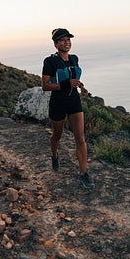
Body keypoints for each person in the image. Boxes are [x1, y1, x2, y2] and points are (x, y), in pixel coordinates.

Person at [41, 28, 94, 188]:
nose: (67, 42)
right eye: (63, 40)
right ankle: (54, 155)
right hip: (58, 103)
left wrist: (82, 87)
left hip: (73, 101)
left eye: (68, 39)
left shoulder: (74, 59)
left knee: (80, 138)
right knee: (57, 136)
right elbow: (45, 86)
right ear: (55, 44)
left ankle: (84, 174)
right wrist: (65, 85)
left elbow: (74, 78)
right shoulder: (50, 61)